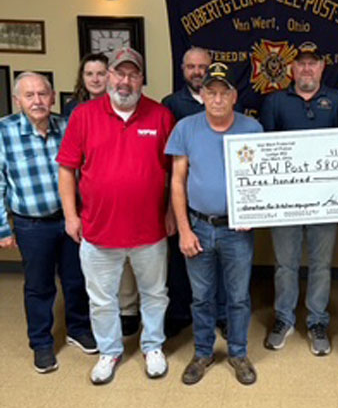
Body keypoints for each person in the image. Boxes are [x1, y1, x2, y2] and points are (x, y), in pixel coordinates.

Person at [57, 48, 175, 385]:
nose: (125, 81)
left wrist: (170, 211)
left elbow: (174, 172)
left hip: (149, 230)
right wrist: (71, 216)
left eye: (132, 74)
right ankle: (109, 351)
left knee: (155, 294)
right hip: (98, 230)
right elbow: (67, 169)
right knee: (101, 299)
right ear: (109, 76)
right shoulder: (84, 116)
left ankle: (153, 346)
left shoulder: (161, 116)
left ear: (142, 79)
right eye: (119, 73)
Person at [166, 62, 263, 385]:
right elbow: (177, 181)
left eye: (224, 92)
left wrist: (252, 213)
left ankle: (238, 352)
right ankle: (203, 352)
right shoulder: (186, 128)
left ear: (234, 96)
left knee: (238, 296)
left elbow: (261, 179)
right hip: (199, 226)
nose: (218, 99)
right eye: (211, 92)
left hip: (237, 230)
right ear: (203, 95)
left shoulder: (252, 129)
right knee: (202, 296)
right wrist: (184, 229)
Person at [260, 41, 338, 356]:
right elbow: (264, 151)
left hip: (324, 201)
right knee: (285, 264)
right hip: (285, 202)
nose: (306, 69)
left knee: (320, 265)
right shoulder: (275, 102)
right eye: (301, 63)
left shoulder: (337, 102)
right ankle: (284, 318)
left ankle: (317, 321)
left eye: (313, 63)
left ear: (322, 67)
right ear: (291, 68)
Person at [0, 72, 96, 373]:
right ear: (18, 100)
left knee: (76, 279)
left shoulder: (67, 126)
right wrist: (3, 229)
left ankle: (78, 329)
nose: (37, 101)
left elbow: (85, 171)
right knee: (39, 286)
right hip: (32, 225)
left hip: (70, 219)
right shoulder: (3, 131)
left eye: (43, 94)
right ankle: (41, 343)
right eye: (29, 95)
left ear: (53, 97)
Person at [63, 51, 141, 336]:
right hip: (89, 201)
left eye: (100, 73)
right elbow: (68, 164)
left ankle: (128, 308)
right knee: (95, 265)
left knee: (129, 257)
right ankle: (97, 324)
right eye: (90, 74)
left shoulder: (142, 109)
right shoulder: (76, 112)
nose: (96, 79)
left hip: (130, 206)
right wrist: (71, 213)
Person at [161, 47, 227, 339]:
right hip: (184, 197)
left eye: (203, 67)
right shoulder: (171, 104)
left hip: (219, 202)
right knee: (182, 259)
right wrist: (170, 209)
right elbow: (168, 161)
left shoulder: (226, 100)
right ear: (183, 69)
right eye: (191, 67)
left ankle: (222, 315)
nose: (197, 72)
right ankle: (179, 313)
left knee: (222, 262)